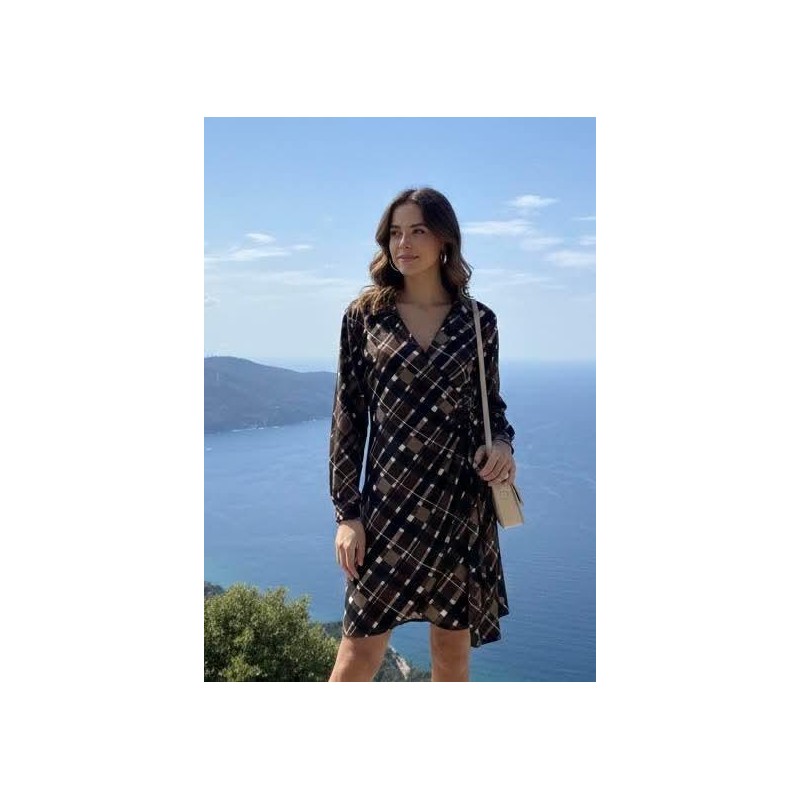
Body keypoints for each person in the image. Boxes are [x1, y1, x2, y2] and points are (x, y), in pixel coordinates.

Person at [327, 187, 517, 682]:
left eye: (417, 231)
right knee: (356, 657)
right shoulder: (365, 316)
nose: (403, 243)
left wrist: (502, 446)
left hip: (458, 507)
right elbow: (348, 417)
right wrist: (348, 514)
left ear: (444, 240)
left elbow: (491, 406)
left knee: (451, 656)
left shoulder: (478, 322)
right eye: (395, 233)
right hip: (387, 510)